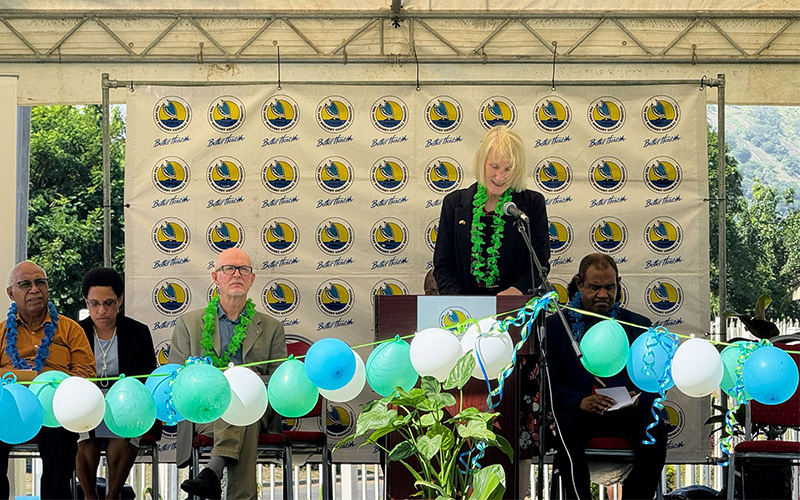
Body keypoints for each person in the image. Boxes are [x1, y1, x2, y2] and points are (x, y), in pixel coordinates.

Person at [546, 253, 667, 499]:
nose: (603, 295)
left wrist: (636, 397)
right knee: (565, 429)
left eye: (610, 287)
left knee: (656, 429)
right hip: (580, 413)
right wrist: (579, 401)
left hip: (626, 414)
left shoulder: (638, 326)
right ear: (579, 284)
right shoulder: (557, 327)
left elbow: (655, 381)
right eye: (595, 287)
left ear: (618, 283)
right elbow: (548, 384)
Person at [171, 248, 287, 500]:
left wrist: (248, 383)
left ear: (252, 279)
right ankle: (225, 479)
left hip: (257, 407)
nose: (236, 274)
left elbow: (279, 381)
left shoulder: (271, 327)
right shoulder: (189, 323)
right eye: (228, 269)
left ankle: (212, 470)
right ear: (216, 277)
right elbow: (175, 377)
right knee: (236, 412)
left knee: (242, 405)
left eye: (243, 269)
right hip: (204, 410)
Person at [0, 260, 96, 499]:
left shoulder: (70, 329)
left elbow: (86, 373)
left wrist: (57, 387)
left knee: (60, 441)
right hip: (9, 410)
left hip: (53, 410)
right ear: (11, 293)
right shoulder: (1, 332)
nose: (35, 289)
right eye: (25, 284)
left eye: (40, 282)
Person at [433, 125, 550, 296]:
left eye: (508, 169)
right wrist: (457, 302)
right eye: (494, 166)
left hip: (513, 308)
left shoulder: (532, 204)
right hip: (463, 306)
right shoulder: (454, 203)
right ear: (482, 162)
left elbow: (540, 262)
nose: (500, 176)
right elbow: (443, 265)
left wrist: (517, 290)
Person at [76, 267, 157, 500]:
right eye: (94, 304)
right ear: (86, 301)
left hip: (125, 405)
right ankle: (91, 497)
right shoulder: (76, 332)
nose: (101, 310)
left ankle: (112, 497)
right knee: (83, 443)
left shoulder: (137, 332)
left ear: (120, 300)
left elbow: (146, 379)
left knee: (121, 438)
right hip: (87, 407)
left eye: (109, 303)